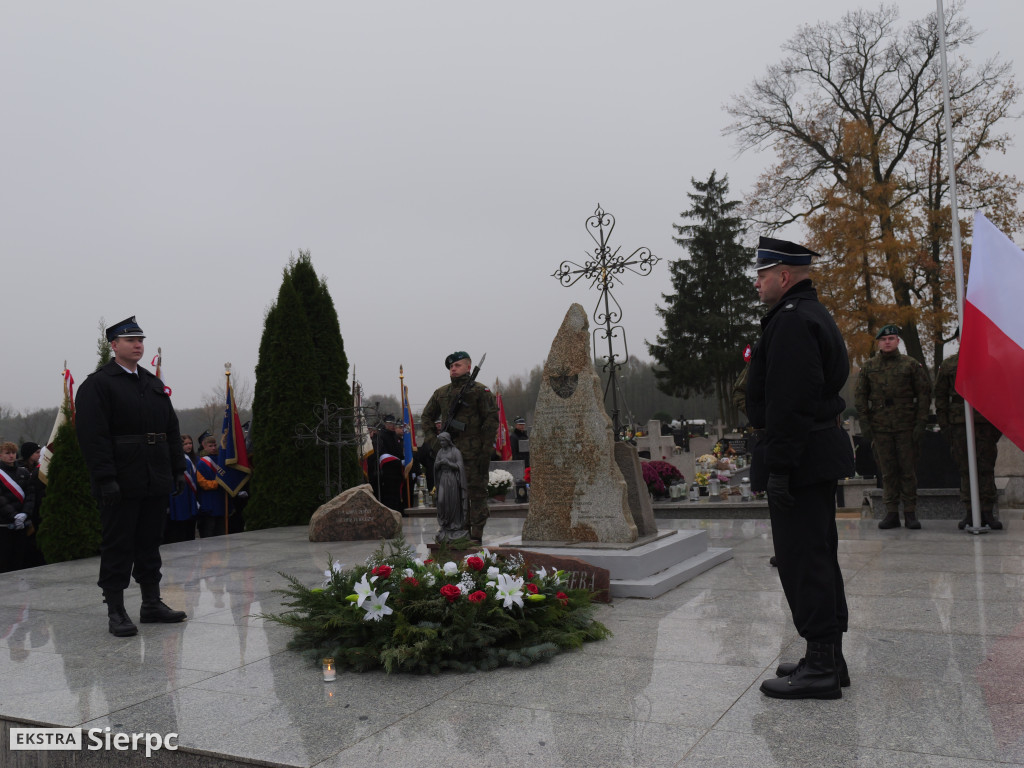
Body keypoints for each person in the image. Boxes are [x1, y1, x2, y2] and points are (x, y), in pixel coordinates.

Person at [745, 237, 854, 700]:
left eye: (763, 275)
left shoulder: (791, 322)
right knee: (816, 554)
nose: (757, 283)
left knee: (802, 559)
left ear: (785, 276)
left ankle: (822, 669)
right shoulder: (810, 313)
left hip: (801, 457)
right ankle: (827, 655)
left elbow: (789, 404)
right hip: (813, 452)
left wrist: (780, 469)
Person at [75, 316, 188, 637]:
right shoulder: (98, 384)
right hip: (120, 481)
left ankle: (151, 603)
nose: (138, 345)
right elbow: (92, 437)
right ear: (114, 345)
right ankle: (116, 610)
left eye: (141, 340)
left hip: (154, 476)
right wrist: (105, 478)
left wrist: (177, 468)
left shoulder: (151, 383)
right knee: (118, 544)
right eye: (130, 340)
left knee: (150, 543)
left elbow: (170, 428)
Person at [854, 324, 932, 529]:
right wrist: (865, 425)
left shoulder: (910, 365)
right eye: (883, 339)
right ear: (879, 343)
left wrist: (921, 422)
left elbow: (924, 394)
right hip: (880, 428)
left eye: (891, 339)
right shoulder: (869, 367)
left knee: (908, 470)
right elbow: (860, 397)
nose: (887, 342)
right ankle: (891, 513)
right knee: (887, 472)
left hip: (906, 426)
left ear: (898, 341)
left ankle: (910, 512)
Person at [421, 351, 498, 543]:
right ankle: (457, 531)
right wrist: (435, 442)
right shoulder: (442, 393)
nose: (453, 369)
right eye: (451, 367)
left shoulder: (480, 391)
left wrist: (486, 451)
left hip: (474, 453)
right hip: (450, 454)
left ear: (468, 367)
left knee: (476, 493)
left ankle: (476, 534)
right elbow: (426, 417)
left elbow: (491, 421)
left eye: (457, 365)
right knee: (452, 495)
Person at [934, 350, 1003, 530]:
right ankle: (970, 511)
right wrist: (945, 426)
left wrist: (998, 426)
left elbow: (1001, 392)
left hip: (985, 423)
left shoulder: (991, 362)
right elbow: (940, 398)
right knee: (966, 468)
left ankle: (988, 511)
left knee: (986, 468)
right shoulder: (949, 365)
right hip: (959, 424)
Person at [1, 441, 35, 573]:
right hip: (4, 524)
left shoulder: (23, 472)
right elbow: (1, 499)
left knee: (20, 558)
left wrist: (25, 513)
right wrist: (14, 515)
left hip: (22, 522)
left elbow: (31, 495)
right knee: (5, 559)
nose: (11, 456)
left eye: (13, 453)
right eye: (7, 453)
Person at [165, 434, 199, 543]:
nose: (188, 446)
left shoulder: (189, 459)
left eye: (190, 443)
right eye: (185, 444)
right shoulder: (169, 459)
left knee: (187, 531)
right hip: (174, 497)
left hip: (187, 497)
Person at [17, 441, 46, 568]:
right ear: (29, 455)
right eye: (36, 452)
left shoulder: (38, 469)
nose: (39, 455)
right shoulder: (21, 470)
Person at [197, 433, 229, 538]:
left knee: (221, 532)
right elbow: (203, 483)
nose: (213, 448)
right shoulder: (201, 463)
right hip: (208, 502)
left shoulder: (221, 460)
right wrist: (218, 484)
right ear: (204, 446)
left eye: (215, 445)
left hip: (220, 501)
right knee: (209, 532)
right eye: (210, 446)